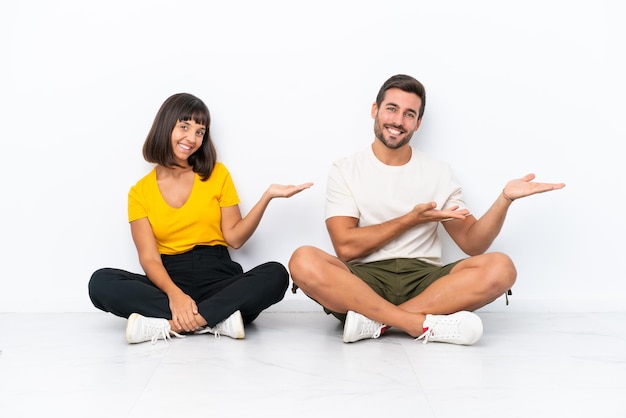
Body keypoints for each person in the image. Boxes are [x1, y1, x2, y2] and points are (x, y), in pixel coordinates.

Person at [288, 74, 565, 345]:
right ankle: (415, 323)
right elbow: (346, 248)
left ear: (418, 123)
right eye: (392, 109)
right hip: (363, 283)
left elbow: (473, 243)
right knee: (303, 259)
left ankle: (376, 322)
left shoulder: (438, 173)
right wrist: (409, 220)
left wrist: (505, 199)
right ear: (375, 110)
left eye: (409, 114)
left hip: (426, 281)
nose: (398, 121)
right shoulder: (346, 169)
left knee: (501, 267)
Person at [89, 93, 312, 344]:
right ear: (166, 126)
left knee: (276, 274)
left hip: (218, 277)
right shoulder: (139, 192)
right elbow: (149, 258)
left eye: (200, 131)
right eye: (184, 127)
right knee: (101, 282)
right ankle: (217, 317)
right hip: (170, 278)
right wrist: (175, 295)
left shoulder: (217, 173)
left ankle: (172, 324)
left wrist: (267, 196)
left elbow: (235, 239)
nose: (192, 138)